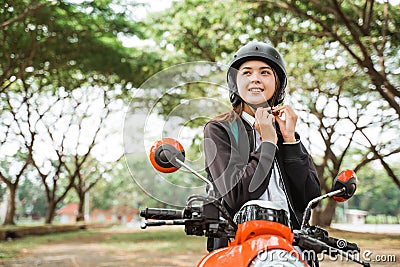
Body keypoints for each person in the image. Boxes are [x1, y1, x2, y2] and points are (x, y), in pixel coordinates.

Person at [203, 41, 321, 252]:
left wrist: (290, 141)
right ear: (235, 84)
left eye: (265, 72)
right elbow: (237, 196)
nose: (255, 78)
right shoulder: (220, 130)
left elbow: (309, 198)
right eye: (246, 72)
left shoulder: (285, 132)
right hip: (238, 247)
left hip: (292, 247)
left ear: (277, 83)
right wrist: (267, 144)